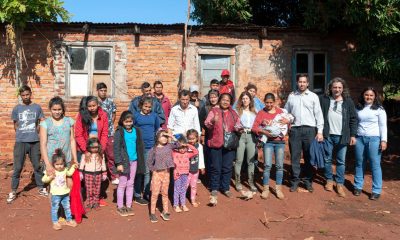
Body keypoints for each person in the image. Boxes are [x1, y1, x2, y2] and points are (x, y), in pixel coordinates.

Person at [39, 96, 84, 222]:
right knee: (53, 188)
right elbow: (43, 144)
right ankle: (56, 215)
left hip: (67, 160)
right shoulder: (45, 124)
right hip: (52, 162)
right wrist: (47, 164)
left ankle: (65, 213)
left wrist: (75, 159)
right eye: (54, 109)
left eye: (59, 109)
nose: (57, 112)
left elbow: (72, 140)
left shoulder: (69, 121)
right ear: (50, 110)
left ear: (62, 109)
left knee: (67, 185)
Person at [284, 74, 324, 192]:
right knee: (295, 156)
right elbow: (286, 112)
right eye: (300, 82)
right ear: (297, 83)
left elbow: (319, 115)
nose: (302, 84)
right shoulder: (292, 96)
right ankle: (295, 180)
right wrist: (287, 119)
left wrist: (320, 131)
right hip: (295, 130)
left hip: (309, 130)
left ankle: (307, 181)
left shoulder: (313, 96)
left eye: (304, 82)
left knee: (309, 156)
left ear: (308, 83)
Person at [7, 86, 47, 204]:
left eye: (27, 94)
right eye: (23, 95)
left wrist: (36, 131)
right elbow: (15, 124)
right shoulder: (17, 109)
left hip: (34, 141)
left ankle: (41, 188)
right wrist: (21, 134)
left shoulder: (37, 107)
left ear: (31, 94)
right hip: (20, 142)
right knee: (18, 167)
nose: (25, 97)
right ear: (20, 96)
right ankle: (14, 190)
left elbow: (41, 121)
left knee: (37, 166)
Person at [320, 78, 357, 197]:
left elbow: (353, 119)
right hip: (328, 135)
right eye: (335, 87)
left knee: (341, 161)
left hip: (343, 136)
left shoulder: (348, 102)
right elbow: (319, 116)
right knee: (327, 159)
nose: (337, 89)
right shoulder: (325, 100)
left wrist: (352, 135)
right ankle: (329, 180)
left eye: (339, 87)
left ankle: (339, 183)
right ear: (330, 88)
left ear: (343, 89)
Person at [252, 93, 292, 199]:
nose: (269, 105)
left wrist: (287, 122)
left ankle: (278, 189)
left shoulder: (281, 112)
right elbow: (254, 127)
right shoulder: (261, 113)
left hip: (280, 142)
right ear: (264, 102)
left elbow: (288, 124)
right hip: (268, 142)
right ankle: (265, 189)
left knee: (279, 166)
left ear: (274, 102)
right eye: (267, 102)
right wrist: (264, 131)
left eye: (271, 102)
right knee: (267, 166)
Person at [205, 93, 242, 205]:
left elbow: (239, 124)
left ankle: (225, 188)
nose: (225, 102)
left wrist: (238, 128)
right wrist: (213, 121)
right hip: (216, 143)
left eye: (228, 100)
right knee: (216, 167)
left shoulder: (233, 113)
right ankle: (215, 188)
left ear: (230, 102)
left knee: (227, 167)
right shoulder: (213, 111)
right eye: (223, 100)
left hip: (230, 144)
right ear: (220, 100)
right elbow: (207, 124)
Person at [353, 87, 387, 200]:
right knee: (359, 162)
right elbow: (355, 123)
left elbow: (383, 126)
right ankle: (358, 186)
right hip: (360, 138)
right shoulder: (358, 108)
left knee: (375, 164)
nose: (368, 97)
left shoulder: (379, 109)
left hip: (374, 139)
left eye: (371, 95)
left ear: (374, 97)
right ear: (363, 95)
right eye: (366, 95)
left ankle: (376, 190)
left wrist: (384, 140)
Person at [114, 111, 145, 217]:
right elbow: (116, 148)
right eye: (126, 122)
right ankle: (120, 206)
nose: (128, 124)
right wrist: (118, 163)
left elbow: (140, 145)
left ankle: (128, 205)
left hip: (134, 161)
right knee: (122, 183)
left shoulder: (137, 131)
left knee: (130, 183)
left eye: (130, 121)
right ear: (122, 121)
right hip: (124, 161)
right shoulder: (119, 132)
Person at [42, 149, 78, 230]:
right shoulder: (51, 171)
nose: (60, 166)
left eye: (61, 164)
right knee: (55, 208)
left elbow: (69, 173)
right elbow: (43, 180)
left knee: (67, 207)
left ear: (64, 163)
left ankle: (69, 220)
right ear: (53, 164)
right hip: (55, 194)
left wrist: (73, 167)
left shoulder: (65, 170)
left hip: (65, 193)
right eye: (57, 164)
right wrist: (50, 177)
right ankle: (55, 222)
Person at [133, 97, 160, 205]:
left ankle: (147, 193)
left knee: (148, 171)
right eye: (145, 106)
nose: (147, 109)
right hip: (139, 147)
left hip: (151, 147)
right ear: (141, 106)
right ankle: (137, 194)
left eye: (149, 107)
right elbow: (132, 129)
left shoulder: (154, 116)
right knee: (140, 171)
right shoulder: (136, 116)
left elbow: (157, 129)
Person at [147, 130, 177, 223]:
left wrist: (170, 136)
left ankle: (165, 211)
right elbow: (149, 161)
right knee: (155, 194)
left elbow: (179, 144)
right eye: (161, 136)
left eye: (165, 136)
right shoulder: (154, 149)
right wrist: (153, 170)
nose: (164, 138)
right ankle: (152, 213)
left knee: (165, 193)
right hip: (157, 174)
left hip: (167, 173)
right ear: (157, 138)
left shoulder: (169, 146)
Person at [234, 92, 257, 193]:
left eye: (247, 98)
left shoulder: (254, 112)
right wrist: (238, 129)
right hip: (241, 136)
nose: (245, 100)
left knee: (250, 161)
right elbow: (234, 124)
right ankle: (238, 182)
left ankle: (251, 182)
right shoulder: (237, 111)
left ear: (250, 100)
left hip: (251, 136)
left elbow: (258, 125)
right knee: (239, 160)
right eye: (243, 98)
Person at [97, 82, 118, 185]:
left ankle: (114, 176)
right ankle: (99, 175)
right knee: (98, 154)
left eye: (105, 90)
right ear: (97, 91)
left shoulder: (110, 101)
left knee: (111, 155)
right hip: (97, 134)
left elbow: (114, 114)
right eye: (101, 90)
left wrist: (109, 124)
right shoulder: (95, 102)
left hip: (109, 132)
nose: (103, 92)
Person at [78, 138, 107, 210]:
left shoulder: (101, 155)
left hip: (98, 174)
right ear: (89, 147)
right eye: (92, 147)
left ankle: (96, 203)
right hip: (88, 174)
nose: (94, 149)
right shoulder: (85, 155)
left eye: (96, 147)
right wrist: (80, 173)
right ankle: (89, 203)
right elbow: (82, 164)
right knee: (89, 189)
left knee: (97, 189)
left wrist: (104, 173)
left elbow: (103, 164)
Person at [172, 136, 199, 213]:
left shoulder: (188, 153)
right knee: (177, 190)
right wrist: (176, 142)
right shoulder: (174, 153)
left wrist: (187, 144)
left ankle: (183, 204)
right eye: (180, 147)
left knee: (183, 189)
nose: (182, 149)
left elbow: (196, 151)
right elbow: (170, 147)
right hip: (177, 175)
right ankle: (176, 205)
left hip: (185, 174)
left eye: (184, 147)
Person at [186, 129, 205, 207]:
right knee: (185, 185)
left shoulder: (199, 146)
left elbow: (201, 157)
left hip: (195, 170)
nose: (191, 140)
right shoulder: (186, 146)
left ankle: (193, 200)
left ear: (197, 138)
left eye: (193, 139)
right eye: (189, 139)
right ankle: (182, 200)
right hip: (186, 170)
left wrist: (202, 167)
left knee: (193, 186)